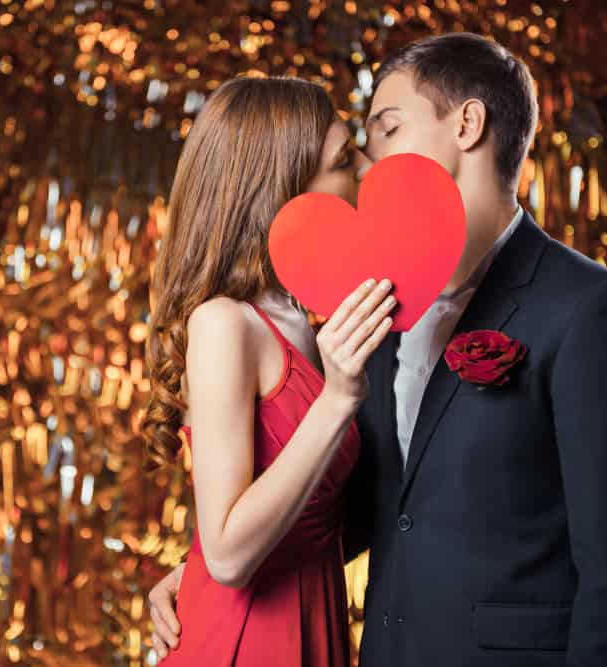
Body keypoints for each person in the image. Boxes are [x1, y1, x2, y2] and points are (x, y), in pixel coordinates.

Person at [149, 33, 607, 667]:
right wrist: (202, 570)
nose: (369, 164)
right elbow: (363, 505)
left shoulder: (593, 312)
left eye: (385, 130)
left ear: (468, 126)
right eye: (354, 150)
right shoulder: (372, 311)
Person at [140, 75, 388, 665]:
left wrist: (187, 567)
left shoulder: (304, 317)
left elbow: (306, 511)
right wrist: (338, 399)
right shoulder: (225, 323)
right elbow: (228, 557)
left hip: (314, 614)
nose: (364, 169)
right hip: (246, 638)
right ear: (286, 190)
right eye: (343, 159)